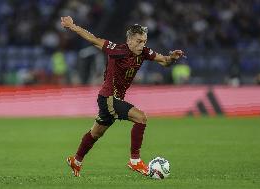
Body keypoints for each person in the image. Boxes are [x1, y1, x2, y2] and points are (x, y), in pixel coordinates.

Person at [61, 16, 185, 177]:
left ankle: (76, 161)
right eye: (139, 41)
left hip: (114, 99)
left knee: (96, 133)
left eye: (145, 41)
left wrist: (172, 58)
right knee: (141, 117)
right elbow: (93, 39)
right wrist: (72, 26)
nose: (143, 45)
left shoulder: (144, 53)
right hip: (108, 98)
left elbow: (164, 61)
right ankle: (135, 161)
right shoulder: (117, 50)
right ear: (130, 41)